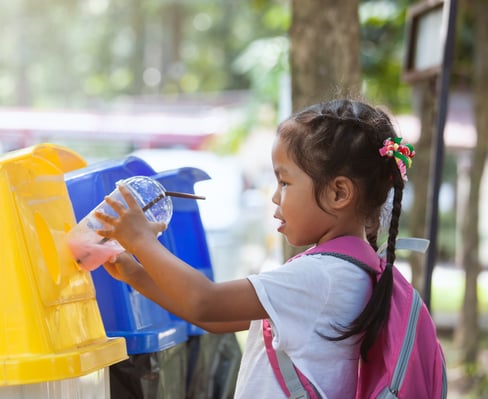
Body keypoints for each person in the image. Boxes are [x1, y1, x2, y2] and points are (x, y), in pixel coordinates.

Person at [94, 98, 415, 398]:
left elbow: (205, 302)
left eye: (285, 182)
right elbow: (214, 320)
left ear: (338, 193)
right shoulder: (350, 270)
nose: (275, 196)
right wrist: (134, 273)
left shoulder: (324, 277)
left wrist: (140, 239)